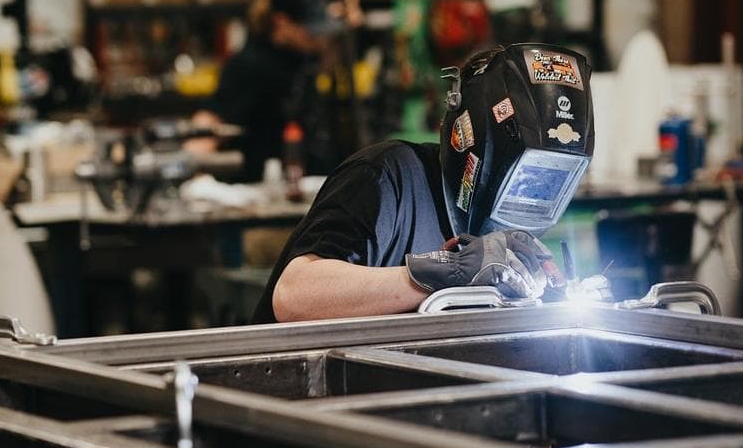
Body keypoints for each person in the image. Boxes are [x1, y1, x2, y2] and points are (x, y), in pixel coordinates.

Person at [253, 42, 596, 324]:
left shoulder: (501, 248)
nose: (530, 197)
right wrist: (444, 273)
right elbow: (293, 295)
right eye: (524, 176)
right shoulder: (388, 177)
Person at [191, 0, 340, 181]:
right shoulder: (249, 64)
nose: (319, 39)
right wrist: (189, 163)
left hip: (308, 184)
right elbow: (212, 118)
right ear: (281, 21)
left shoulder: (302, 54)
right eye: (310, 31)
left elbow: (327, 60)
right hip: (261, 187)